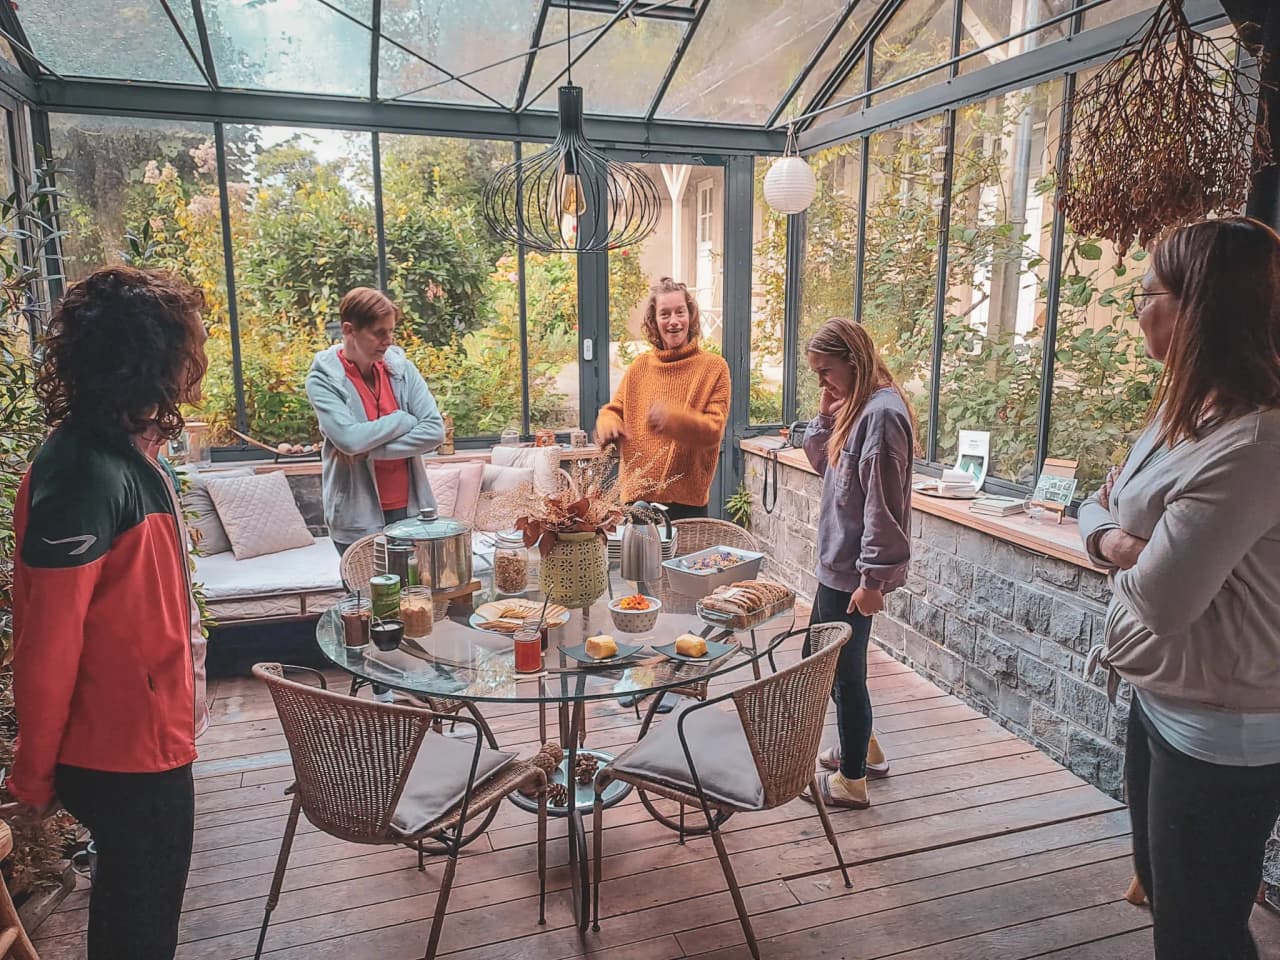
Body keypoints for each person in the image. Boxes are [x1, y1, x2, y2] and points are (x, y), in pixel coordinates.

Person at [1077, 217, 1280, 960]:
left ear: (1196, 307)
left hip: (1221, 732)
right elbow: (1102, 504)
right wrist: (1115, 537)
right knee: (1168, 898)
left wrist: (1116, 535)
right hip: (1160, 698)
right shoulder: (1184, 413)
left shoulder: (1255, 443)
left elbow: (1163, 600)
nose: (1137, 309)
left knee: (1200, 933)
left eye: (1147, 293)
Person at [7, 266, 209, 960]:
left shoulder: (125, 450)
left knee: (139, 919)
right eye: (187, 350)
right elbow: (47, 644)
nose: (193, 366)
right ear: (154, 358)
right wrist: (31, 775)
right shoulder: (84, 471)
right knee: (138, 932)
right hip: (126, 757)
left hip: (144, 745)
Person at [800, 318, 914, 810]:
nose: (822, 382)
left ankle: (852, 779)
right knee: (825, 660)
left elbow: (884, 507)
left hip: (852, 575)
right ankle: (862, 748)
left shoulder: (883, 415)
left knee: (839, 671)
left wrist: (873, 581)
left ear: (853, 360)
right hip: (838, 567)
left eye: (826, 372)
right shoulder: (859, 407)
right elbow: (824, 464)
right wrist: (826, 416)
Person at [305, 287, 445, 556]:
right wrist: (402, 419)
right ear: (349, 330)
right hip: (356, 515)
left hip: (409, 509)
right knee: (366, 597)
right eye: (379, 333)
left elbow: (433, 431)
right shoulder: (323, 379)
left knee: (413, 596)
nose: (388, 340)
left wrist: (365, 450)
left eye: (391, 331)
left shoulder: (402, 370)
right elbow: (349, 439)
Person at [595, 277, 729, 520]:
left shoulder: (714, 368)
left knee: (682, 560)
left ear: (691, 316)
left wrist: (674, 419)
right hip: (637, 501)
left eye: (680, 312)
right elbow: (614, 410)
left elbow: (714, 432)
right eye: (665, 314)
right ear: (654, 322)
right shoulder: (639, 367)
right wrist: (608, 422)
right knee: (635, 560)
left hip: (687, 503)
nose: (674, 321)